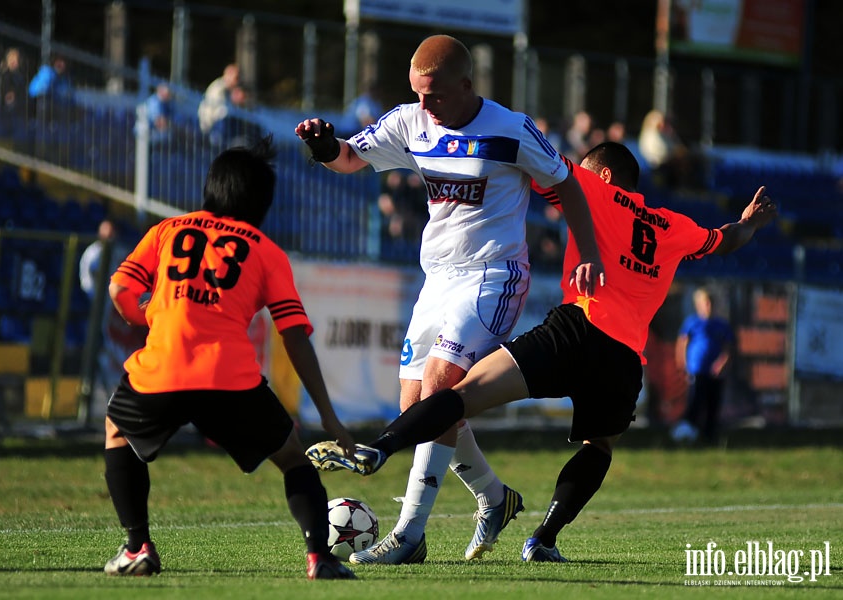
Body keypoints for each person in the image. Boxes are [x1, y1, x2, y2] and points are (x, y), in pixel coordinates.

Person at [306, 141, 777, 564]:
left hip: (576, 331)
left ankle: (381, 447)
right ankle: (543, 539)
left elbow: (533, 159)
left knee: (463, 394)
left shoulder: (592, 188)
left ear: (604, 175)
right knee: (600, 446)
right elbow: (727, 239)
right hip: (624, 359)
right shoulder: (673, 225)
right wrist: (750, 223)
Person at [295, 34, 604, 565]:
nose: (424, 105)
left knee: (441, 385)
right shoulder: (411, 122)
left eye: (433, 95)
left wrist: (589, 251)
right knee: (414, 407)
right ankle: (493, 495)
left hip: (494, 274)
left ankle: (409, 535)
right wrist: (325, 147)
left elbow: (568, 184)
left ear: (466, 85)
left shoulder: (512, 129)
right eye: (416, 93)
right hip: (436, 278)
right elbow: (350, 159)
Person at [101, 136, 357, 580]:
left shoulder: (167, 230)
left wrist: (152, 321)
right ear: (262, 202)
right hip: (230, 379)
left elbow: (120, 289)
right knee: (294, 459)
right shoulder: (266, 250)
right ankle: (320, 557)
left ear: (210, 188)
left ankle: (137, 547)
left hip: (161, 369)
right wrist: (330, 417)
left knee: (117, 432)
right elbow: (294, 336)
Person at [672, 287, 734, 444]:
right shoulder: (692, 323)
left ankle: (710, 435)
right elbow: (682, 344)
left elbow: (728, 348)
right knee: (695, 401)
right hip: (697, 370)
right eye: (705, 303)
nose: (708, 306)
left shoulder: (722, 325)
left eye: (711, 303)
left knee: (713, 402)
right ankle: (688, 432)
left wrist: (721, 363)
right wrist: (683, 364)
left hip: (715, 372)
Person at [198, 63, 240, 137]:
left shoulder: (227, 90)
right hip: (211, 126)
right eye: (236, 78)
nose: (237, 81)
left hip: (215, 125)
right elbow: (220, 112)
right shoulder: (219, 89)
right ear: (228, 75)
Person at [0, 48, 28, 137]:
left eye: (16, 60)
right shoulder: (5, 76)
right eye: (11, 60)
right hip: (7, 111)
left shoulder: (21, 77)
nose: (14, 62)